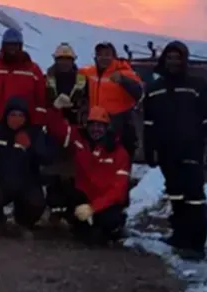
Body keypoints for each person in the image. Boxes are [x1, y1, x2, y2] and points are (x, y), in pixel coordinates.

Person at [143, 40, 207, 260]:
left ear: (184, 60)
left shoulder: (197, 85)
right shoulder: (154, 89)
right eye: (169, 57)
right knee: (175, 193)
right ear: (163, 60)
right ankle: (180, 235)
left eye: (178, 58)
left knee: (193, 195)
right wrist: (150, 149)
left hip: (192, 148)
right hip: (167, 151)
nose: (173, 62)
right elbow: (149, 123)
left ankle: (196, 244)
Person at [47, 99, 130, 244]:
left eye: (100, 126)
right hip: (83, 196)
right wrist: (55, 109)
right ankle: (76, 224)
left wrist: (93, 207)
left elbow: (119, 191)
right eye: (92, 125)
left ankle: (114, 228)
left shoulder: (119, 152)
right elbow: (56, 128)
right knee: (60, 194)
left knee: (109, 223)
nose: (96, 129)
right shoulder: (79, 140)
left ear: (107, 128)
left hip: (106, 201)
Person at [0, 97, 48, 237]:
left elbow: (47, 158)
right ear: (6, 116)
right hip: (0, 183)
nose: (16, 119)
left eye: (20, 115)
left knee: (36, 202)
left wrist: (30, 148)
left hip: (27, 185)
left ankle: (23, 223)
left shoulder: (34, 134)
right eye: (13, 115)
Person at [42, 42, 89, 221]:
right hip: (53, 130)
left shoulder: (82, 80)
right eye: (60, 59)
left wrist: (79, 112)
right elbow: (42, 101)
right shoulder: (47, 78)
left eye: (67, 59)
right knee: (53, 172)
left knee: (73, 173)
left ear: (73, 61)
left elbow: (88, 103)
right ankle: (55, 210)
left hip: (76, 130)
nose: (64, 63)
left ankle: (71, 213)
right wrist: (53, 109)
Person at [79, 42, 144, 158]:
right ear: (95, 57)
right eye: (100, 55)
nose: (104, 58)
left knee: (118, 160)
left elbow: (139, 92)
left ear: (114, 56)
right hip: (95, 125)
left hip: (118, 124)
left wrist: (124, 80)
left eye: (107, 54)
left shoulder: (125, 72)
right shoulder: (89, 72)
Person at [0, 28, 48, 126]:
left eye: (15, 45)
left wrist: (36, 125)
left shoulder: (33, 70)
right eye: (9, 45)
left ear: (21, 46)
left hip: (24, 126)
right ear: (3, 46)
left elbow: (41, 101)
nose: (12, 49)